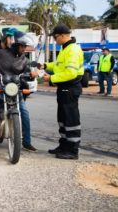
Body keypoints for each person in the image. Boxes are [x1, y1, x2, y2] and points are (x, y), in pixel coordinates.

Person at [0, 31, 38, 152]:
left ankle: (27, 142)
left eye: (25, 47)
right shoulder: (2, 53)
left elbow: (27, 71)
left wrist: (32, 74)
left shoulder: (24, 59)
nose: (24, 49)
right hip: (0, 83)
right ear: (16, 45)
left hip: (15, 87)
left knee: (24, 113)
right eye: (23, 46)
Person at [40, 24, 84, 160]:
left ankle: (72, 150)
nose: (55, 39)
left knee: (71, 120)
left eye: (55, 37)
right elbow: (59, 66)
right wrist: (46, 66)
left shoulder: (73, 50)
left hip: (70, 87)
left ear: (63, 35)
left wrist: (51, 78)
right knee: (63, 119)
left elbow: (70, 73)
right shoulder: (66, 49)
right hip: (64, 88)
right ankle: (64, 145)